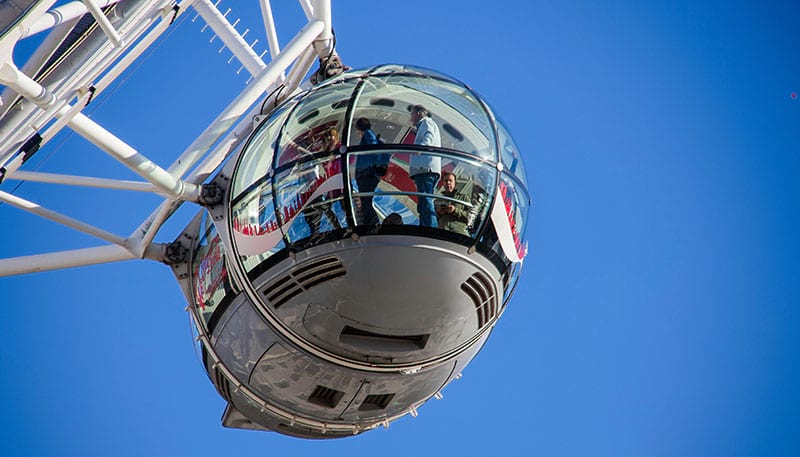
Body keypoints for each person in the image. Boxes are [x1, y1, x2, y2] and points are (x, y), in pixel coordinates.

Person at [303, 127, 342, 237]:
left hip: (336, 182)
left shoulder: (338, 147)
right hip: (328, 184)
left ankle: (337, 227)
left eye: (332, 136)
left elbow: (333, 162)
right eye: (328, 136)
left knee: (330, 207)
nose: (330, 138)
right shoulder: (325, 150)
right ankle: (335, 227)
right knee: (327, 207)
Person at [408, 105, 441, 227]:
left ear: (418, 114)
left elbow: (429, 137)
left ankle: (430, 227)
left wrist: (420, 147)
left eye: (411, 115)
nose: (410, 119)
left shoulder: (427, 123)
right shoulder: (425, 124)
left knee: (425, 199)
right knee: (423, 200)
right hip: (424, 169)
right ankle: (425, 225)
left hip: (425, 169)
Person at [354, 117, 381, 225]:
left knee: (366, 201)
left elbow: (373, 150)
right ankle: (370, 222)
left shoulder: (368, 136)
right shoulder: (369, 136)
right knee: (366, 201)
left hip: (367, 174)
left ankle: (372, 223)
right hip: (368, 174)